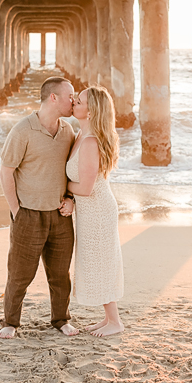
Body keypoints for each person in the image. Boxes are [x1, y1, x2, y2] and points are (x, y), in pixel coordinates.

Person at [0, 76, 79, 339]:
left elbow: (72, 171)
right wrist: (16, 210)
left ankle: (61, 319)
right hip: (28, 215)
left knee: (60, 276)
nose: (74, 100)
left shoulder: (68, 131)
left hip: (59, 215)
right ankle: (10, 322)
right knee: (20, 275)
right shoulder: (22, 130)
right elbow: (6, 172)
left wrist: (71, 199)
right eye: (70, 95)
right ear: (53, 97)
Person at [63, 86, 124, 337]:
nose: (74, 103)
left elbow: (86, 188)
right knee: (96, 261)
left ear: (92, 111)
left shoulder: (89, 142)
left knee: (101, 263)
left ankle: (115, 322)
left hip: (97, 210)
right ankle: (108, 318)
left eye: (79, 101)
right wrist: (71, 199)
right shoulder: (80, 134)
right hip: (90, 210)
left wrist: (58, 186)